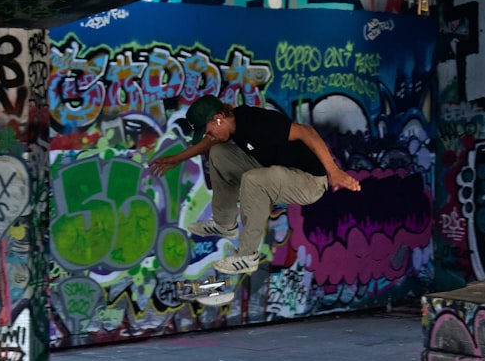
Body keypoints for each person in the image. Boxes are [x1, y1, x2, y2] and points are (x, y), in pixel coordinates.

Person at [149, 95, 361, 274]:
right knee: (219, 153)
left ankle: (247, 256)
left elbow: (307, 132)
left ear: (218, 119)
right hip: (277, 168)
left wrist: (334, 171)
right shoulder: (233, 124)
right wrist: (178, 158)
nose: (209, 136)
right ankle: (225, 224)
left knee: (254, 180)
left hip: (308, 181)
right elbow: (211, 142)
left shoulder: (257, 123)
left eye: (209, 131)